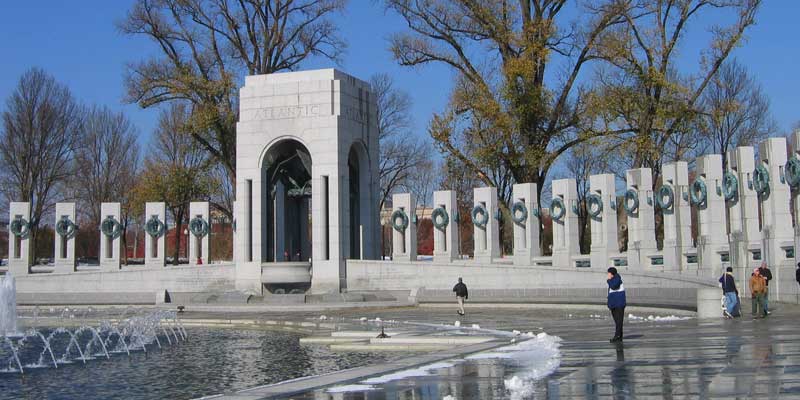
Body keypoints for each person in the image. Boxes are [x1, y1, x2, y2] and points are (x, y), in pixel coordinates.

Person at [607, 267, 626, 342]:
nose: (607, 274)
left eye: (608, 273)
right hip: (614, 304)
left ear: (612, 274)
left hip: (619, 304)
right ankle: (619, 335)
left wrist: (608, 280)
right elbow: (610, 293)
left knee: (619, 321)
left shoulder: (617, 279)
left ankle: (617, 336)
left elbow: (614, 286)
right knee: (617, 321)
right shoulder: (613, 280)